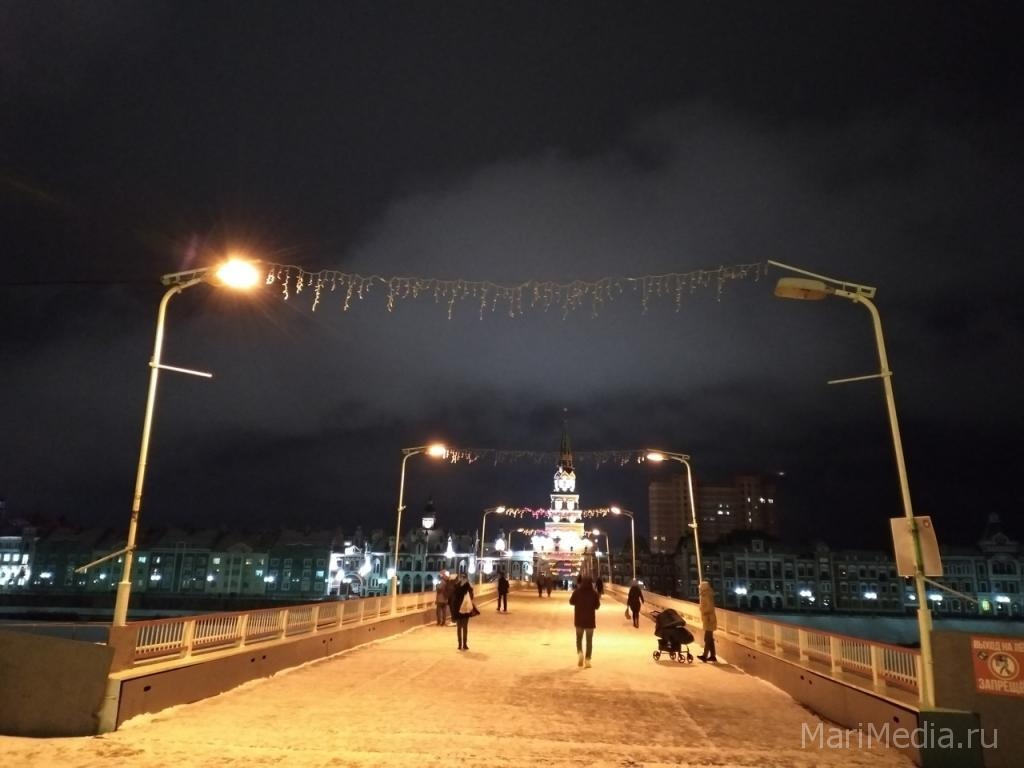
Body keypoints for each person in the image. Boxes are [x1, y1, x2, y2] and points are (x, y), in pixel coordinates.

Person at [569, 574, 600, 668]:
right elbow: (597, 606)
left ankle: (580, 653)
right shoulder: (594, 593)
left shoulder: (577, 592)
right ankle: (587, 660)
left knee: (579, 638)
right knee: (589, 641)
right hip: (590, 621)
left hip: (579, 620)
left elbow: (571, 602)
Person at [451, 572, 476, 651]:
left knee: (460, 627)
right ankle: (463, 644)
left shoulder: (457, 586)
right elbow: (471, 597)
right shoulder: (466, 587)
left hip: (460, 609)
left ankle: (461, 644)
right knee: (463, 627)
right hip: (464, 609)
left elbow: (454, 599)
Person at [698, 580, 718, 663]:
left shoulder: (706, 595)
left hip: (709, 619)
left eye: (700, 588)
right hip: (709, 619)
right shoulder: (707, 594)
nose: (699, 589)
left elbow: (709, 607)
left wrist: (703, 611)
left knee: (707, 638)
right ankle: (713, 656)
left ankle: (704, 656)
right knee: (709, 638)